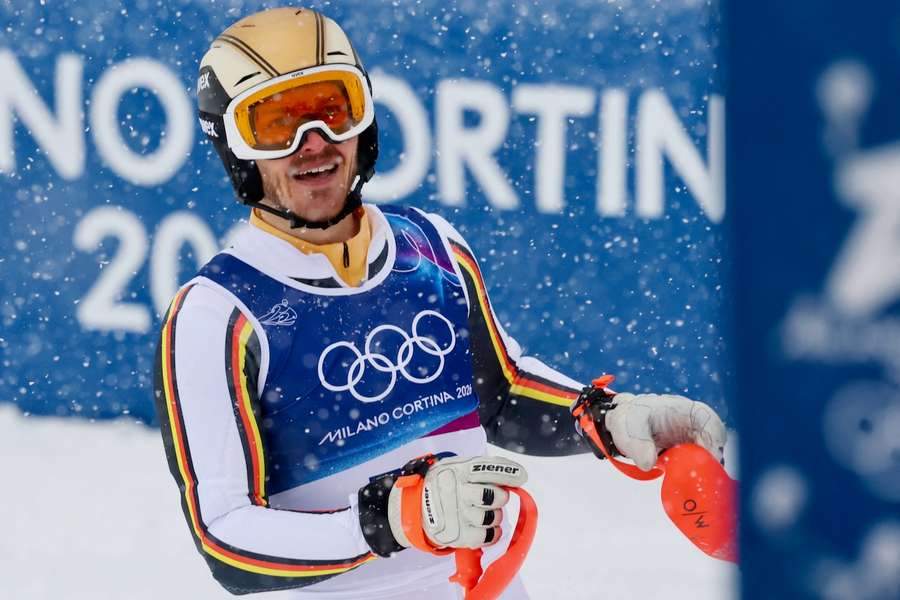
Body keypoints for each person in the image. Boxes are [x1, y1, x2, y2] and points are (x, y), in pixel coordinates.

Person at [153, 7, 727, 599]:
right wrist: (387, 519)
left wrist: (606, 419)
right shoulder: (215, 317)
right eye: (277, 123)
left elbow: (499, 396)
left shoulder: (430, 247)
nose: (314, 143)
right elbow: (225, 540)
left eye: (332, 107)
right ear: (234, 147)